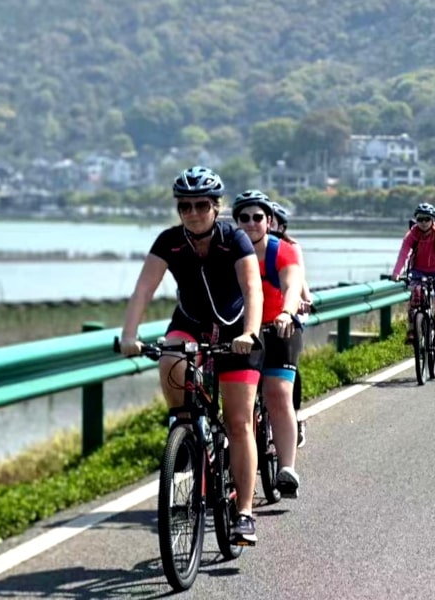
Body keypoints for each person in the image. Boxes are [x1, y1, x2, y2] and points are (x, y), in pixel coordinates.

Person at [119, 166, 263, 546]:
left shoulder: (234, 238)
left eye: (201, 205)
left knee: (238, 421)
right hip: (190, 323)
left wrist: (250, 332)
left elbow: (252, 288)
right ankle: (183, 426)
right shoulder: (169, 241)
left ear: (216, 207)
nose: (194, 212)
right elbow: (143, 289)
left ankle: (245, 513)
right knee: (169, 358)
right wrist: (129, 335)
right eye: (185, 206)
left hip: (236, 333)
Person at [233, 190, 304, 497]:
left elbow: (291, 286)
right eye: (244, 218)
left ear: (270, 221)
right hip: (242, 332)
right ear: (236, 222)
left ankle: (286, 468)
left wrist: (288, 312)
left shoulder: (282, 251)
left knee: (277, 392)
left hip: (279, 327)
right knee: (237, 402)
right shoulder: (228, 253)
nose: (251, 223)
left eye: (257, 217)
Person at [269, 201, 311, 448]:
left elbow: (298, 277)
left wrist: (306, 299)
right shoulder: (245, 246)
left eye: (271, 220)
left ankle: (294, 415)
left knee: (289, 368)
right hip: (256, 316)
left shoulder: (290, 247)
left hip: (286, 311)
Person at [390, 202, 435, 361]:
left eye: (427, 219)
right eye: (420, 219)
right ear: (416, 220)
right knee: (416, 296)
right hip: (418, 271)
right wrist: (396, 273)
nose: (423, 223)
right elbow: (404, 253)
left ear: (433, 219)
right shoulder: (412, 234)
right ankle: (413, 330)